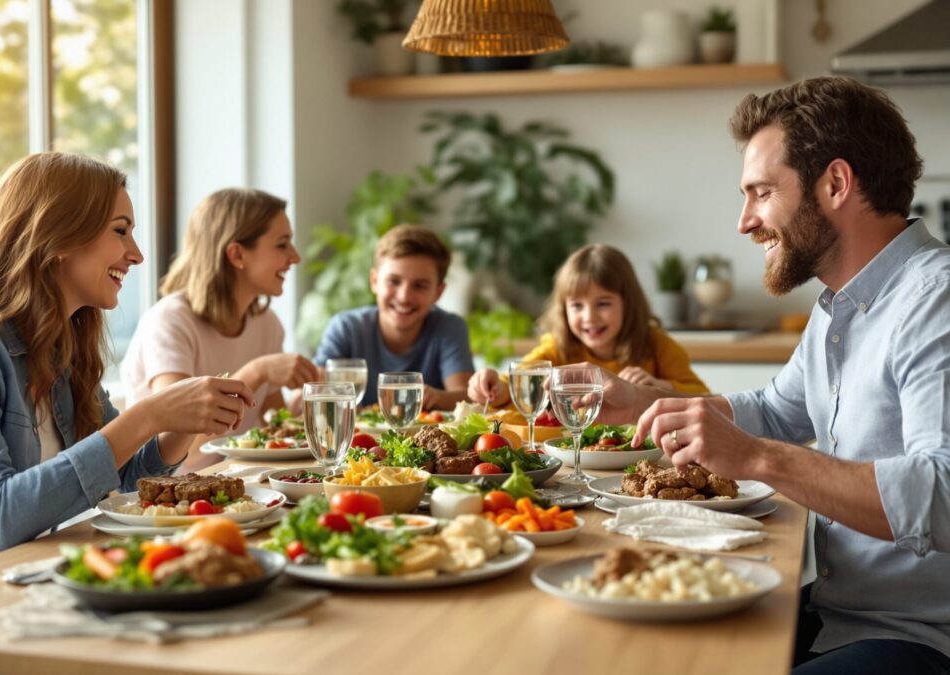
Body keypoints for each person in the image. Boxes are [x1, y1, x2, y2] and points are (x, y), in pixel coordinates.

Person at [601, 77, 949, 674]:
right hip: (842, 612)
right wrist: (641, 403)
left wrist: (760, 459)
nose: (745, 221)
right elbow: (773, 410)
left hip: (919, 637)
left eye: (761, 192)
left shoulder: (934, 299)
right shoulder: (840, 305)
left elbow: (942, 492)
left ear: (835, 184)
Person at [0, 153, 254, 597]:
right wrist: (148, 415)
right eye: (120, 231)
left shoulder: (60, 349)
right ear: (58, 236)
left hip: (12, 588)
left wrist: (181, 424)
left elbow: (124, 478)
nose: (137, 254)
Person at [121, 188, 317, 472]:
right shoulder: (171, 321)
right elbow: (179, 448)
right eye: (282, 244)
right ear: (237, 254)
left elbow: (273, 425)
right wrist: (256, 372)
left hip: (237, 480)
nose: (295, 257)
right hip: (171, 489)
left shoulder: (267, 324)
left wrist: (301, 412)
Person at [466, 243, 709, 407]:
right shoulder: (558, 348)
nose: (589, 317)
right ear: (563, 309)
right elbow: (518, 382)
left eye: (603, 304)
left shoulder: (655, 344)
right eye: (577, 306)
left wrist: (657, 386)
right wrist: (493, 386)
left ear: (628, 303)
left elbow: (704, 397)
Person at [312, 224, 473, 410]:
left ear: (438, 292)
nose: (404, 297)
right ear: (374, 281)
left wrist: (436, 397)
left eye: (419, 286)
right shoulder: (345, 328)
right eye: (393, 281)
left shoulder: (449, 327)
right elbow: (314, 394)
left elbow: (466, 397)